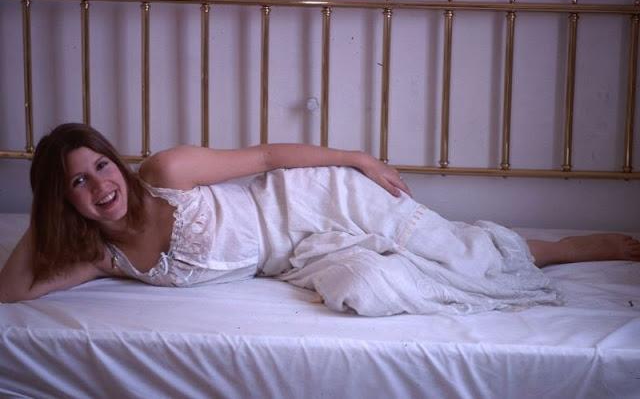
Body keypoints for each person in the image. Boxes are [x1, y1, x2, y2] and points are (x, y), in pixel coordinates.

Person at [0, 123, 638, 315]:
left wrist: (356, 159)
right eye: (78, 183)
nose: (101, 186)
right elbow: (13, 289)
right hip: (295, 257)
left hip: (306, 200)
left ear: (117, 162)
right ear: (65, 200)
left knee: (454, 252)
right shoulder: (103, 258)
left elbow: (266, 157)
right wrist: (48, 209)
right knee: (371, 287)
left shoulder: (165, 173)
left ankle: (571, 247)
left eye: (100, 166)